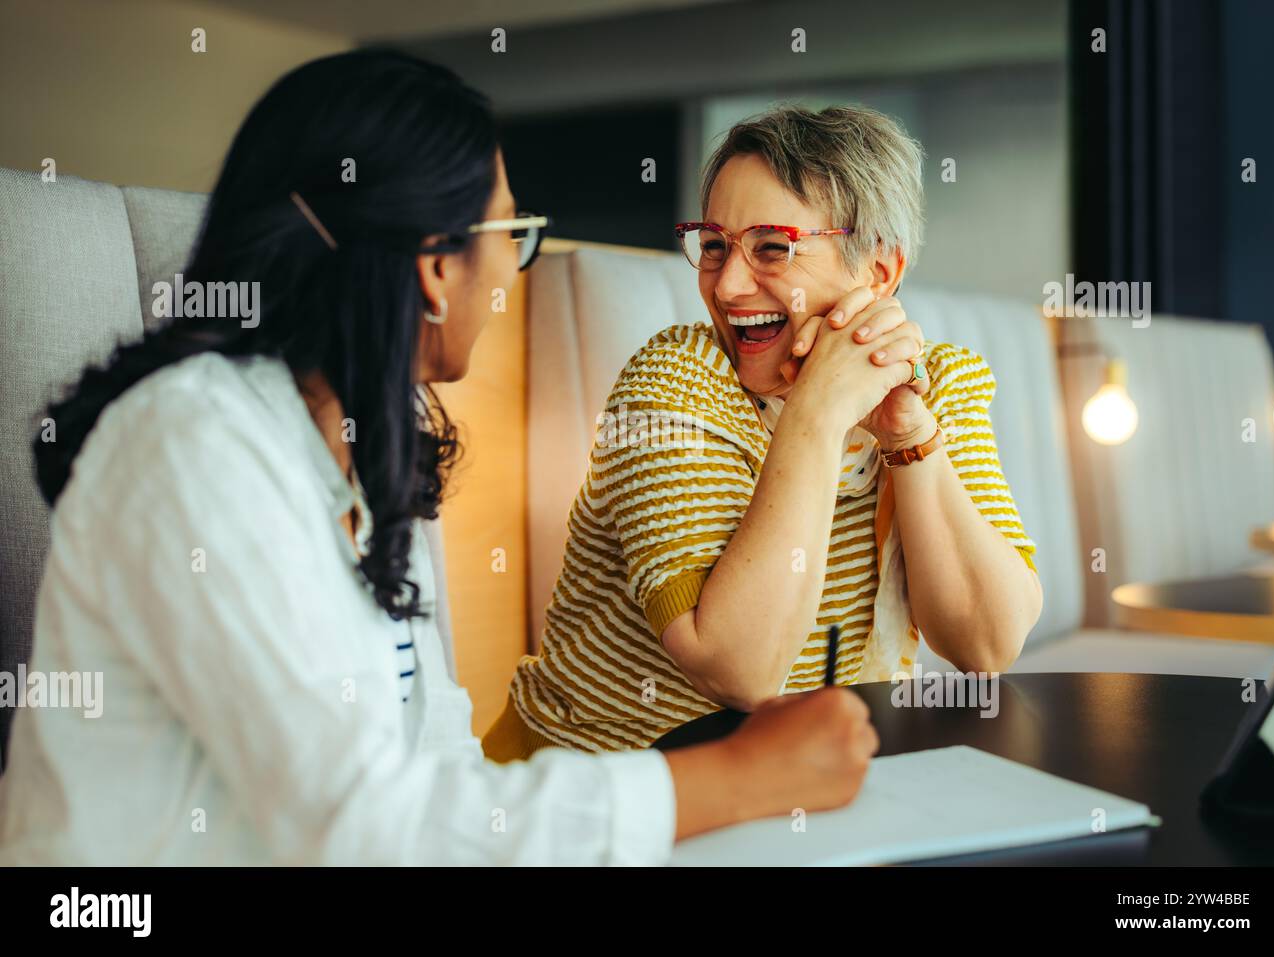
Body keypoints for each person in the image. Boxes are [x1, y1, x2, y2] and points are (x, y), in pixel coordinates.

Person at [0, 52, 876, 865]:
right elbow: (361, 825)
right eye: (509, 233)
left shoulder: (374, 452)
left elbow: (439, 750)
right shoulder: (190, 450)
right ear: (433, 267)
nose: (513, 269)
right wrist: (739, 777)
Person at [485, 105, 1041, 760]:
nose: (728, 283)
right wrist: (817, 411)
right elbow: (737, 669)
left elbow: (988, 644)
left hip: (793, 782)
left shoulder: (938, 384)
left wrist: (910, 437)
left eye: (772, 247)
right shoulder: (675, 384)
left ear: (880, 272)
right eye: (714, 245)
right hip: (591, 794)